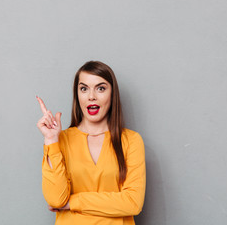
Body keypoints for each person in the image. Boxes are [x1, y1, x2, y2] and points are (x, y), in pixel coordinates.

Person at [36, 61, 146, 225]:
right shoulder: (61, 140)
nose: (91, 96)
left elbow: (133, 203)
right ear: (77, 95)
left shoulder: (131, 141)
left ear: (112, 94)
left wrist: (72, 202)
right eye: (84, 88)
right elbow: (55, 199)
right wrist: (51, 139)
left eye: (100, 88)